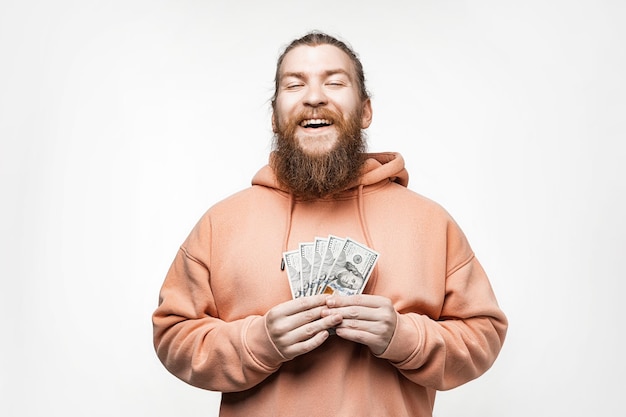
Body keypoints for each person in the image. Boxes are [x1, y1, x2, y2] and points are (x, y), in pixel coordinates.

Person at [152, 31, 508, 417]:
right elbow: (173, 335)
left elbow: (483, 334)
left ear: (365, 110)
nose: (315, 97)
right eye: (295, 84)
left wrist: (405, 337)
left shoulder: (431, 222)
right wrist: (257, 341)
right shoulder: (221, 223)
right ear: (274, 116)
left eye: (335, 82)